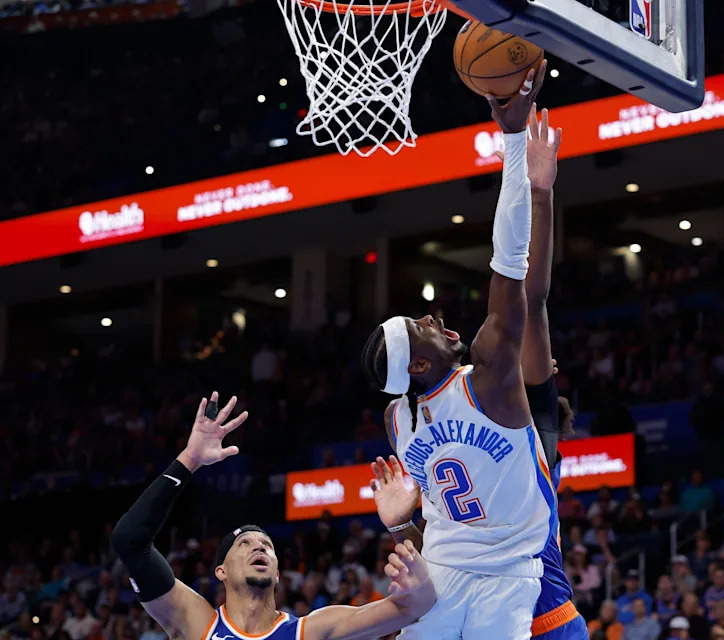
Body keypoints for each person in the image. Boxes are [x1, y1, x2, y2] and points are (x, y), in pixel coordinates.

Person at [367, 88, 586, 640]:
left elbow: (531, 301)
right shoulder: (496, 386)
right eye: (423, 326)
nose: (436, 317)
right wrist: (538, 189)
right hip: (532, 614)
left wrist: (402, 524)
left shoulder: (399, 421)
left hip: (475, 605)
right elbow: (524, 292)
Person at [110, 392, 436, 640]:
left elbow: (413, 606)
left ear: (278, 573)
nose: (259, 547)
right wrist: (189, 459)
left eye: (267, 545)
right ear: (220, 571)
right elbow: (130, 539)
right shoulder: (197, 623)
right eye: (245, 543)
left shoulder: (310, 631)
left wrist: (400, 526)